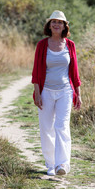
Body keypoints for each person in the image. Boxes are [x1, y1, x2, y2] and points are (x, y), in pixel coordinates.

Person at [31, 10, 82, 176]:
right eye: (54, 22)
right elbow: (36, 72)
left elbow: (74, 72)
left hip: (65, 91)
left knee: (62, 126)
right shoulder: (42, 45)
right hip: (46, 91)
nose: (56, 25)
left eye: (60, 22)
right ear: (49, 25)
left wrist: (78, 94)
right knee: (46, 128)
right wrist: (37, 93)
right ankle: (51, 164)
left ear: (64, 26)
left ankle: (62, 164)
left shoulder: (70, 45)